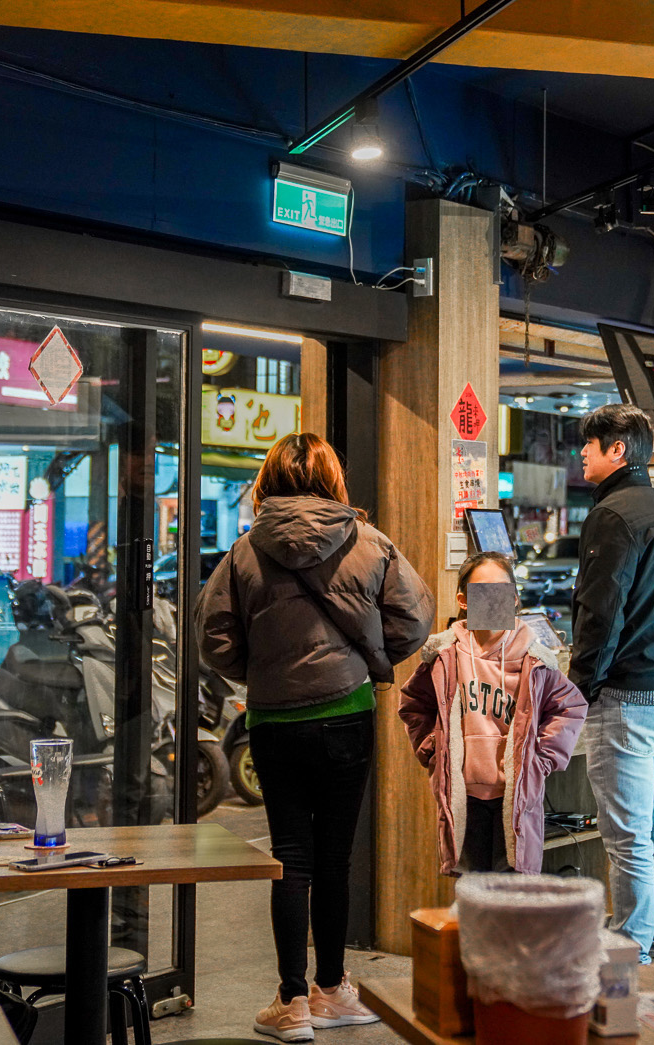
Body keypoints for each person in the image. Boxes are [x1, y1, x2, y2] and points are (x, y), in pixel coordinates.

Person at [197, 432, 433, 1043]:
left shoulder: (246, 551)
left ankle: (292, 1001)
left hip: (275, 721)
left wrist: (265, 669)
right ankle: (333, 989)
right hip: (347, 712)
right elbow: (415, 618)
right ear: (332, 478)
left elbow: (214, 639)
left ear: (268, 479)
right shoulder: (369, 540)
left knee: (290, 858)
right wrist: (366, 659)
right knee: (334, 857)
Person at [568, 403, 654, 962]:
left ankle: (630, 949)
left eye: (589, 444)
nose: (582, 453)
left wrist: (577, 688)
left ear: (618, 450)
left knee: (627, 837)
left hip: (627, 697)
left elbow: (601, 611)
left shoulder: (613, 515)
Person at [399, 552, 587, 874]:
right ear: (463, 599)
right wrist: (433, 749)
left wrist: (540, 758)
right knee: (472, 893)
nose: (493, 599)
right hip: (463, 797)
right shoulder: (445, 657)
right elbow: (414, 704)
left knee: (512, 894)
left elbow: (570, 708)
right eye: (482, 591)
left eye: (502, 590)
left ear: (514, 598)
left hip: (514, 800)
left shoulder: (534, 660)